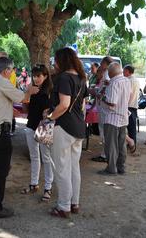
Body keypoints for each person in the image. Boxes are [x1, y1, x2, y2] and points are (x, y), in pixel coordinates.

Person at [0, 57, 39, 219]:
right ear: (6, 70)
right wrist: (30, 90)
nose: (12, 73)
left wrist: (8, 108)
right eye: (11, 70)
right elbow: (23, 98)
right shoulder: (1, 81)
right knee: (0, 169)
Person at [47, 47, 88, 219]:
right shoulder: (81, 78)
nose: (54, 63)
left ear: (62, 60)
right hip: (78, 127)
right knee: (73, 167)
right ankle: (74, 203)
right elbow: (83, 106)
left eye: (56, 60)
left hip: (64, 127)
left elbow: (64, 104)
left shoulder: (64, 78)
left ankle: (64, 207)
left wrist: (50, 117)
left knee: (62, 168)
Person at [20, 64, 55, 202]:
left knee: (46, 158)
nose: (36, 78)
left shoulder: (50, 91)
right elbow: (24, 108)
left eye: (39, 76)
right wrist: (28, 93)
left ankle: (48, 187)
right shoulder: (31, 89)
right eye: (34, 76)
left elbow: (49, 112)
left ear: (45, 76)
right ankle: (34, 184)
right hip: (30, 125)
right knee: (34, 157)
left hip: (44, 126)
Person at [97, 62, 131, 176]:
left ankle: (111, 168)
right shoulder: (126, 80)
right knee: (121, 145)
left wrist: (101, 98)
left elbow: (112, 103)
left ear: (111, 72)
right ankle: (121, 167)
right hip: (123, 117)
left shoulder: (114, 82)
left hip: (112, 118)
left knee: (111, 145)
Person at [90, 56, 113, 163]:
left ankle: (105, 155)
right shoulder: (106, 73)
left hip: (104, 106)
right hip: (102, 106)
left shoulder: (108, 74)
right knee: (103, 131)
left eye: (102, 63)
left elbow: (106, 88)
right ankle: (105, 154)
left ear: (105, 64)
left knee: (104, 131)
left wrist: (98, 93)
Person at [123, 65, 140, 153]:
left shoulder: (128, 80)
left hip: (129, 105)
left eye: (124, 70)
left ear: (128, 71)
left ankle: (131, 145)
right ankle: (131, 144)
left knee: (128, 127)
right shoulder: (136, 80)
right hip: (133, 105)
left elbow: (128, 94)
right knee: (131, 127)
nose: (123, 72)